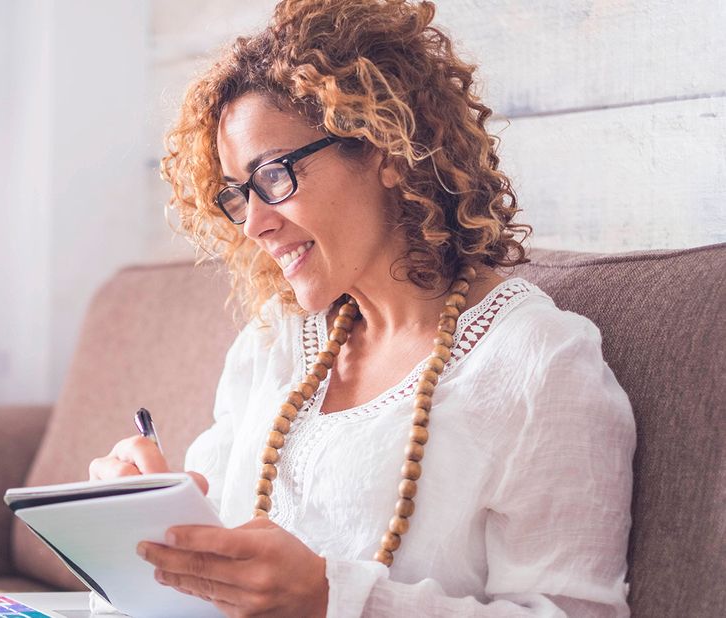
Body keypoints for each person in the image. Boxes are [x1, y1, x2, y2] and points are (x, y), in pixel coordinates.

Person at [88, 0, 635, 615]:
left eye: (272, 177)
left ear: (384, 150)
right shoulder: (272, 346)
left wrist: (333, 600)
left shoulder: (538, 363)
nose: (255, 225)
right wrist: (143, 527)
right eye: (238, 196)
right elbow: (212, 577)